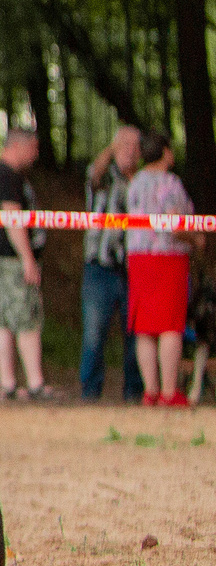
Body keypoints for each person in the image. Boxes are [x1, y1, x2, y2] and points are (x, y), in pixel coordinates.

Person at [123, 133, 197, 407]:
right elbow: (177, 226)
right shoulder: (171, 183)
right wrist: (197, 238)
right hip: (168, 258)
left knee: (144, 327)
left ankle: (150, 391)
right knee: (169, 326)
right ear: (165, 152)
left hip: (138, 258)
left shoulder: (135, 182)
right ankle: (169, 392)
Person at [0, 127, 55, 400]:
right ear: (18, 146)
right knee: (26, 319)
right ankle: (35, 385)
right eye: (33, 148)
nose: (36, 155)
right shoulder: (6, 175)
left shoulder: (7, 175)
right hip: (11, 258)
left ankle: (9, 384)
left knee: (6, 320)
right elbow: (12, 218)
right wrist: (27, 259)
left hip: (3, 257)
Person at [80, 125, 144, 402]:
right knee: (94, 334)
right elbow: (93, 172)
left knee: (135, 335)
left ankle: (134, 391)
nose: (130, 151)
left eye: (135, 146)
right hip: (100, 266)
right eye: (125, 145)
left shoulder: (142, 181)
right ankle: (90, 393)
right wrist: (113, 146)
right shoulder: (102, 175)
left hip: (133, 269)